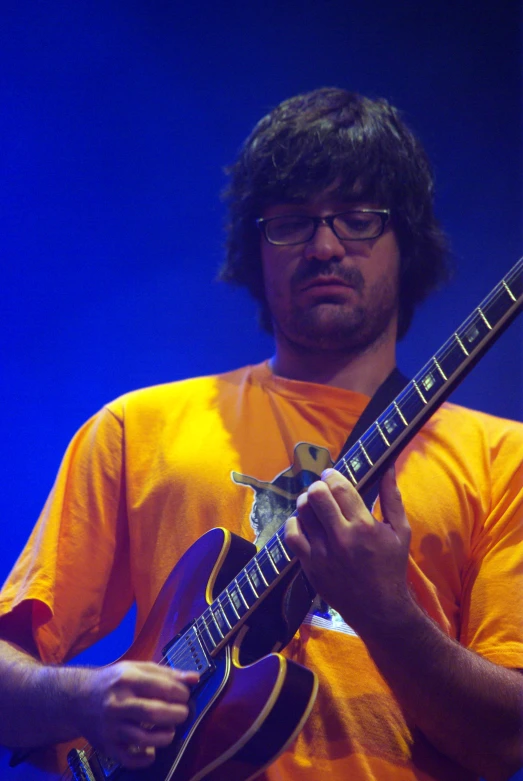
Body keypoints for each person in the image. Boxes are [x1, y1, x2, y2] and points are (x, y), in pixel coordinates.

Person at [0, 87, 522, 781]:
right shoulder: (137, 427)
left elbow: (507, 744)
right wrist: (86, 696)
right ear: (256, 247)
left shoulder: (502, 458)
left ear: (409, 242)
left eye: (359, 219)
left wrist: (384, 610)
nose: (326, 244)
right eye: (291, 222)